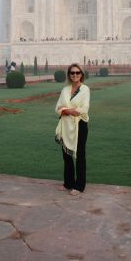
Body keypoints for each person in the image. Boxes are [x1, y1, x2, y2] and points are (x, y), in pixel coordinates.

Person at [55, 63, 90, 196]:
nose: (75, 75)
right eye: (72, 73)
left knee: (80, 155)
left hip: (80, 125)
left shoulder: (85, 89)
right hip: (65, 125)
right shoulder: (65, 90)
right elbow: (57, 108)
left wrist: (66, 110)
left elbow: (84, 109)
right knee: (66, 155)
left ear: (81, 74)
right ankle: (68, 183)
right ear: (69, 75)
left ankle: (80, 186)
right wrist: (68, 111)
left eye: (77, 73)